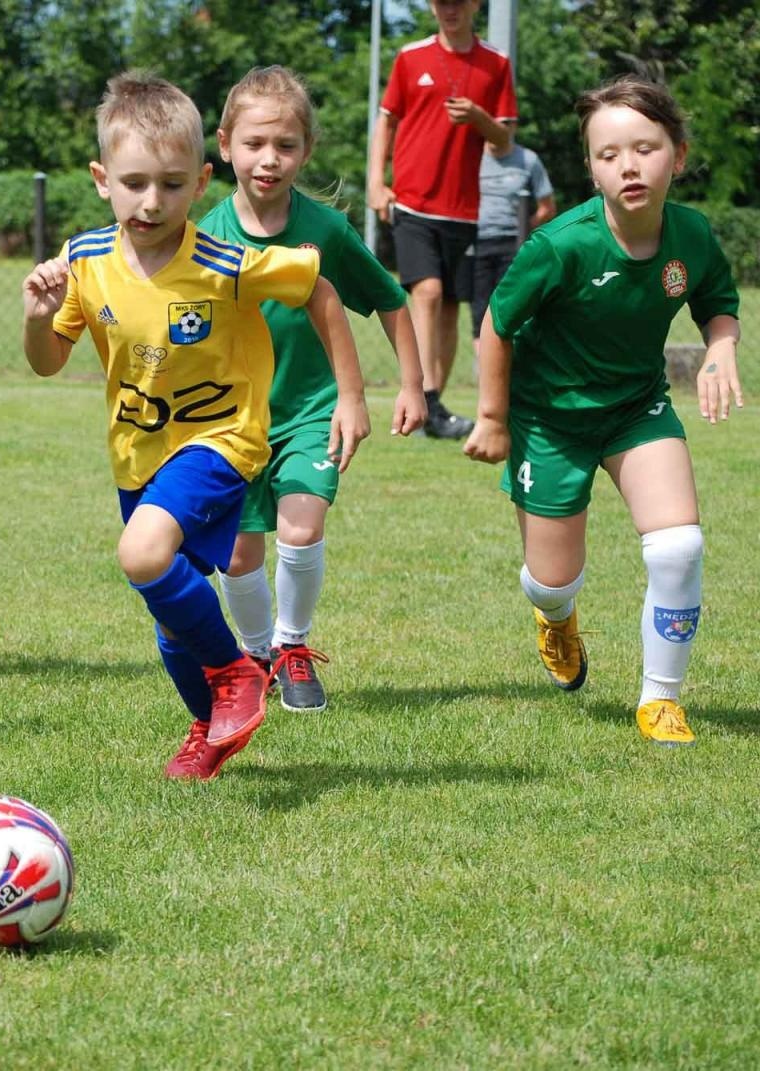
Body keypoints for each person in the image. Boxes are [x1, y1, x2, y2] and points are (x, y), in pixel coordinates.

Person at [21, 71, 370, 781]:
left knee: (142, 554)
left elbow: (320, 289)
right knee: (169, 619)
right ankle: (209, 726)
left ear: (203, 181)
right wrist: (36, 313)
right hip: (138, 455)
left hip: (223, 441)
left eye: (174, 185)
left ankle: (240, 670)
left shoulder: (222, 261)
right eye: (136, 182)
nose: (153, 202)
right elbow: (48, 361)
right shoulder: (84, 261)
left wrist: (350, 394)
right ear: (101, 179)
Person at [462, 76, 744, 746]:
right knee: (551, 582)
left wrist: (721, 347)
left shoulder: (692, 236)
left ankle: (660, 701)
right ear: (590, 167)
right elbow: (496, 326)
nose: (628, 164)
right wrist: (494, 417)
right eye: (609, 153)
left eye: (645, 148)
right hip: (549, 420)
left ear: (676, 154)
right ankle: (556, 619)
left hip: (635, 408)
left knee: (679, 546)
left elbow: (715, 298)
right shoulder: (561, 245)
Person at [199, 66, 425, 714]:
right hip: (231, 421)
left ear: (306, 151)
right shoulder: (204, 238)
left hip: (310, 411)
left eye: (286, 145)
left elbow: (387, 298)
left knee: (300, 526)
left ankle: (293, 645)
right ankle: (256, 654)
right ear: (225, 144)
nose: (269, 159)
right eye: (255, 143)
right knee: (239, 554)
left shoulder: (324, 230)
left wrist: (411, 385)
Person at [367, 0, 516, 440]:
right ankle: (426, 398)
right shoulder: (411, 57)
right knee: (427, 292)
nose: (448, 9)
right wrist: (376, 182)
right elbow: (386, 121)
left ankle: (434, 408)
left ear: (475, 5)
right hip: (413, 202)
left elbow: (505, 138)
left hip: (465, 208)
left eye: (457, 1)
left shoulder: (496, 63)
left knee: (451, 307)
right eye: (440, 2)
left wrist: (478, 117)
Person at [456, 128, 555, 343]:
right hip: (476, 243)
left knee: (513, 309)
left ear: (513, 125)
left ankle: (514, 366)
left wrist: (526, 229)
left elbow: (547, 207)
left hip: (514, 244)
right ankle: (484, 370)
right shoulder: (468, 157)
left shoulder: (528, 160)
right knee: (480, 310)